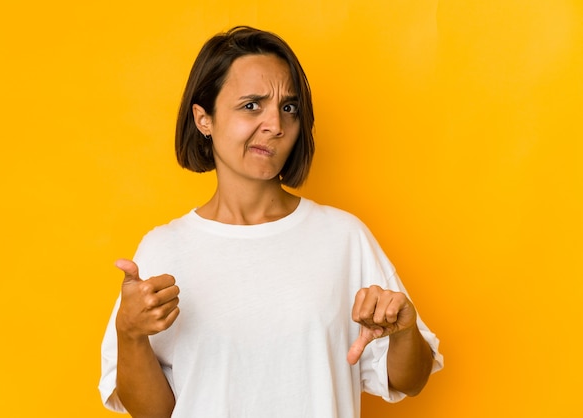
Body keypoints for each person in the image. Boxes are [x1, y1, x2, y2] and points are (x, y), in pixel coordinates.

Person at [99, 26, 443, 418]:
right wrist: (130, 334)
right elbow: (153, 412)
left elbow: (409, 380)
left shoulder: (342, 237)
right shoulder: (164, 249)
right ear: (203, 118)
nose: (276, 125)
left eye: (289, 108)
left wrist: (403, 331)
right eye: (251, 106)